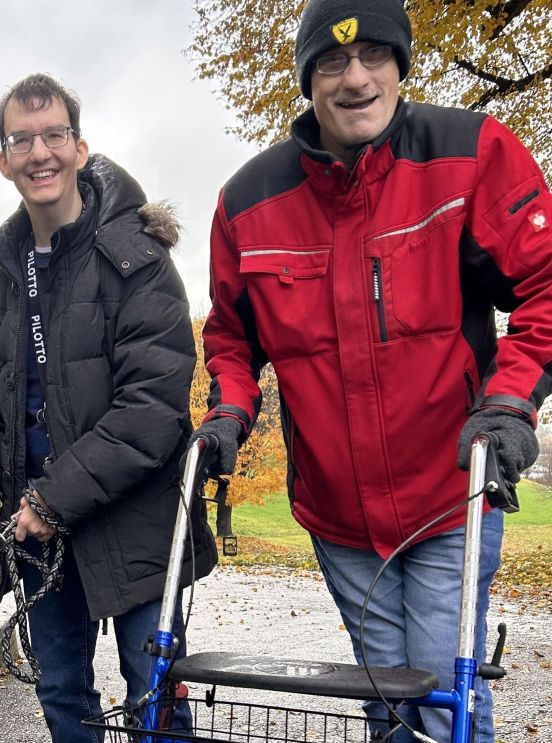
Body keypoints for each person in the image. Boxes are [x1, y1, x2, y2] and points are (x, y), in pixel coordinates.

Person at [193, 1, 550, 741]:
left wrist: (510, 400)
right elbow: (230, 333)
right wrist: (229, 408)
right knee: (387, 703)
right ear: (307, 78)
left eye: (375, 56)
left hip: (449, 493)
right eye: (331, 61)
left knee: (439, 697)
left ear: (400, 64)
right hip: (338, 514)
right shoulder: (248, 203)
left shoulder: (469, 154)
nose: (355, 78)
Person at [0, 73, 217, 742]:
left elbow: (152, 409)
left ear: (80, 149)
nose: (40, 152)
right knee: (62, 693)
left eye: (54, 134)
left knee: (156, 698)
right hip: (41, 537)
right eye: (22, 139)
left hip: (139, 521)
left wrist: (49, 498)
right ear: (4, 160)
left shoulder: (139, 261)